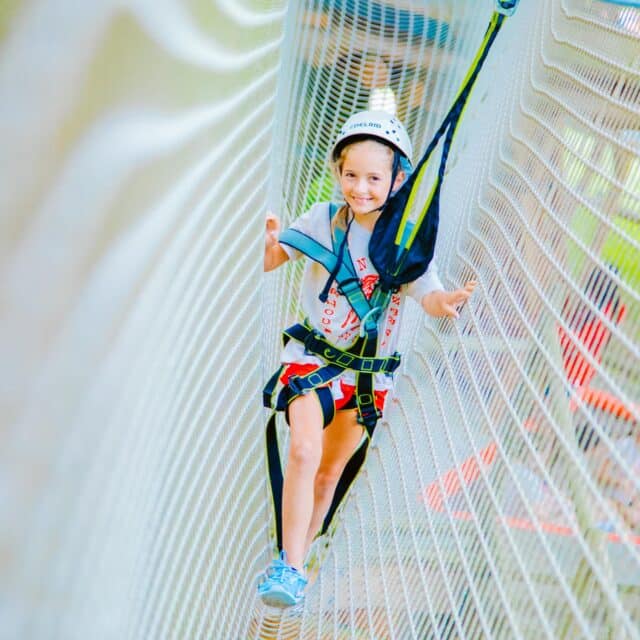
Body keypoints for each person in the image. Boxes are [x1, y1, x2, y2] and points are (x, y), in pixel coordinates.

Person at [258, 111, 477, 607]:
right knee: (303, 451)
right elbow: (274, 260)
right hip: (311, 361)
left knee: (330, 474)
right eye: (351, 175)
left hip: (366, 379)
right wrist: (269, 242)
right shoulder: (322, 221)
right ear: (338, 173)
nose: (360, 188)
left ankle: (300, 556)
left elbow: (430, 296)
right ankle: (288, 566)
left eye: (374, 178)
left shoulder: (404, 243)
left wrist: (448, 302)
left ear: (397, 180)